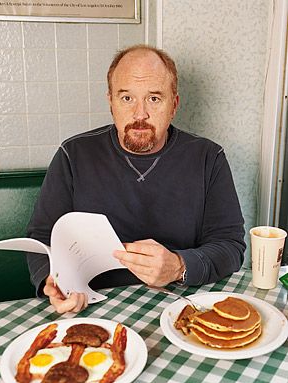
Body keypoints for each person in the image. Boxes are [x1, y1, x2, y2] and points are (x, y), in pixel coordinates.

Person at [27, 44, 246, 314]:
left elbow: (230, 247)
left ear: (174, 105)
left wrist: (179, 266)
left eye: (154, 98)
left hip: (181, 305)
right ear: (110, 101)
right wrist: (56, 282)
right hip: (89, 306)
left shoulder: (208, 157)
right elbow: (41, 237)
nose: (139, 114)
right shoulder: (73, 154)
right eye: (127, 98)